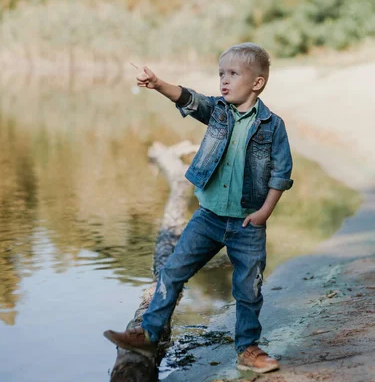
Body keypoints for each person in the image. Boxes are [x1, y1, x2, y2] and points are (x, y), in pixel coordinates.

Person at [104, 43, 293, 374]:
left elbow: (281, 173)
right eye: (221, 73)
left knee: (248, 289)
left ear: (257, 83)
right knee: (173, 271)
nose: (224, 80)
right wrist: (158, 83)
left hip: (247, 223)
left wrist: (264, 212)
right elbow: (189, 99)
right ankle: (148, 333)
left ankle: (248, 348)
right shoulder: (218, 111)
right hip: (208, 217)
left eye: (233, 74)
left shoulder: (272, 125)